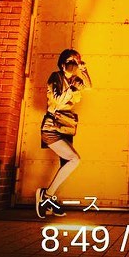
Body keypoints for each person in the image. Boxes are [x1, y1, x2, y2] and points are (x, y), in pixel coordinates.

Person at [35, 49, 92, 218]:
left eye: (76, 61)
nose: (73, 63)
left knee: (65, 166)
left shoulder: (75, 79)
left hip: (65, 126)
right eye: (70, 61)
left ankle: (50, 202)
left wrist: (84, 70)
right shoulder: (56, 77)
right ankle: (45, 195)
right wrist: (72, 89)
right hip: (52, 127)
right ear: (62, 64)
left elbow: (89, 87)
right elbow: (57, 101)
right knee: (74, 159)